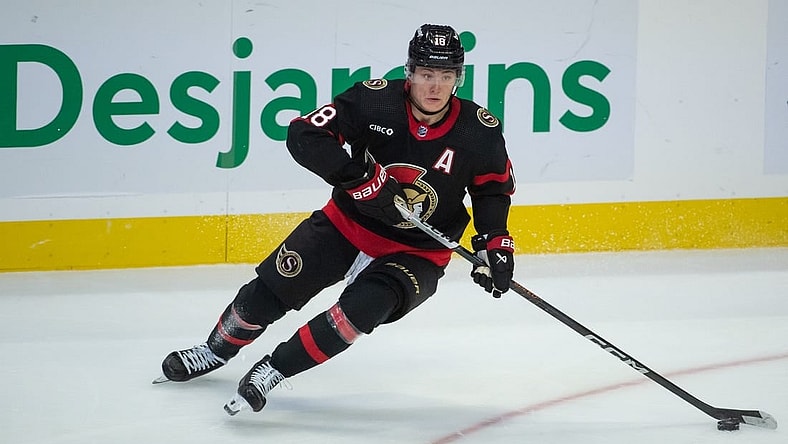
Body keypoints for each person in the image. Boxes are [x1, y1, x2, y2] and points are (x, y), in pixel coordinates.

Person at [156, 23, 517, 415]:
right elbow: (303, 134)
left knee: (360, 311)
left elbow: (492, 191)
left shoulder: (478, 132)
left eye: (446, 76)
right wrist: (358, 180)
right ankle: (214, 350)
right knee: (274, 287)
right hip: (347, 224)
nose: (435, 86)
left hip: (419, 252)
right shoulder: (373, 102)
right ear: (410, 72)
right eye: (427, 74)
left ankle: (273, 370)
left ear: (458, 78)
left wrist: (495, 243)